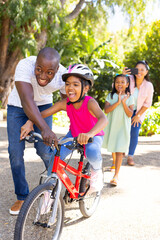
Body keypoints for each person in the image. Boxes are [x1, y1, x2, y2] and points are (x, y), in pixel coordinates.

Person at [21, 63, 108, 193]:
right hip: (73, 135)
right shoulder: (65, 103)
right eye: (67, 84)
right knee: (55, 159)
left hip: (92, 135)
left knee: (92, 152)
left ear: (86, 88)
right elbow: (43, 114)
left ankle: (97, 174)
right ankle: (48, 194)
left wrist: (89, 134)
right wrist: (30, 121)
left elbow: (103, 119)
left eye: (75, 84)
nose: (70, 88)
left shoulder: (90, 102)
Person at [7, 47, 66, 215]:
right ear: (35, 64)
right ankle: (22, 197)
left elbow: (65, 102)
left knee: (45, 151)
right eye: (39, 69)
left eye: (49, 72)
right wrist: (44, 128)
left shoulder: (63, 75)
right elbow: (27, 100)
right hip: (17, 107)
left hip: (44, 107)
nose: (42, 75)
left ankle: (55, 186)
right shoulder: (25, 65)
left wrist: (34, 121)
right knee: (15, 153)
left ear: (57, 69)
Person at [103, 74, 134, 186]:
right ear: (114, 84)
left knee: (119, 150)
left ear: (127, 84)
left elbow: (130, 114)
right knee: (114, 147)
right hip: (112, 126)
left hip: (123, 127)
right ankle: (114, 165)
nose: (119, 84)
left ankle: (116, 176)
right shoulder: (110, 96)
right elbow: (106, 110)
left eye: (122, 82)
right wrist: (117, 102)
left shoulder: (130, 97)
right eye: (117, 82)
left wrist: (124, 103)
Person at [123, 60, 154, 166]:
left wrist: (138, 115)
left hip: (138, 111)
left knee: (134, 132)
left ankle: (130, 156)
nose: (139, 72)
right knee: (123, 130)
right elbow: (116, 86)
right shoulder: (129, 79)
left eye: (142, 70)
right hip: (126, 108)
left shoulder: (149, 85)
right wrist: (123, 76)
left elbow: (147, 103)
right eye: (137, 69)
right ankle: (121, 150)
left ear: (146, 72)